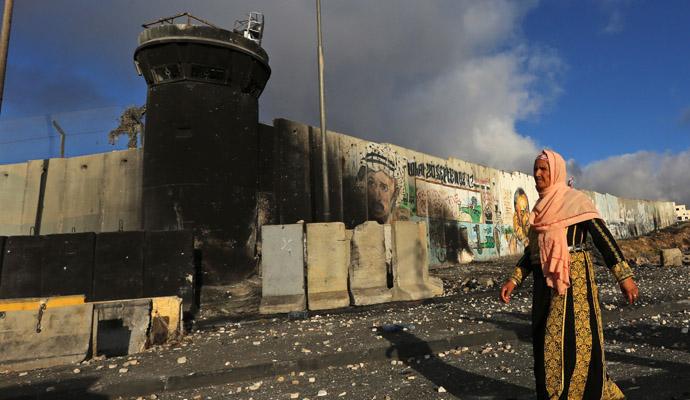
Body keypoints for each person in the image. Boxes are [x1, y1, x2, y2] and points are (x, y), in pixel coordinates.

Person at [500, 149, 639, 400]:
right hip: (544, 284)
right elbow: (534, 251)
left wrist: (623, 276)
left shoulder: (575, 201)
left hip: (575, 283)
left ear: (556, 172)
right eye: (536, 169)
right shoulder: (540, 210)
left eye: (544, 169)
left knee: (573, 341)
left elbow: (602, 237)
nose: (538, 174)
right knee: (545, 342)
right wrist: (514, 279)